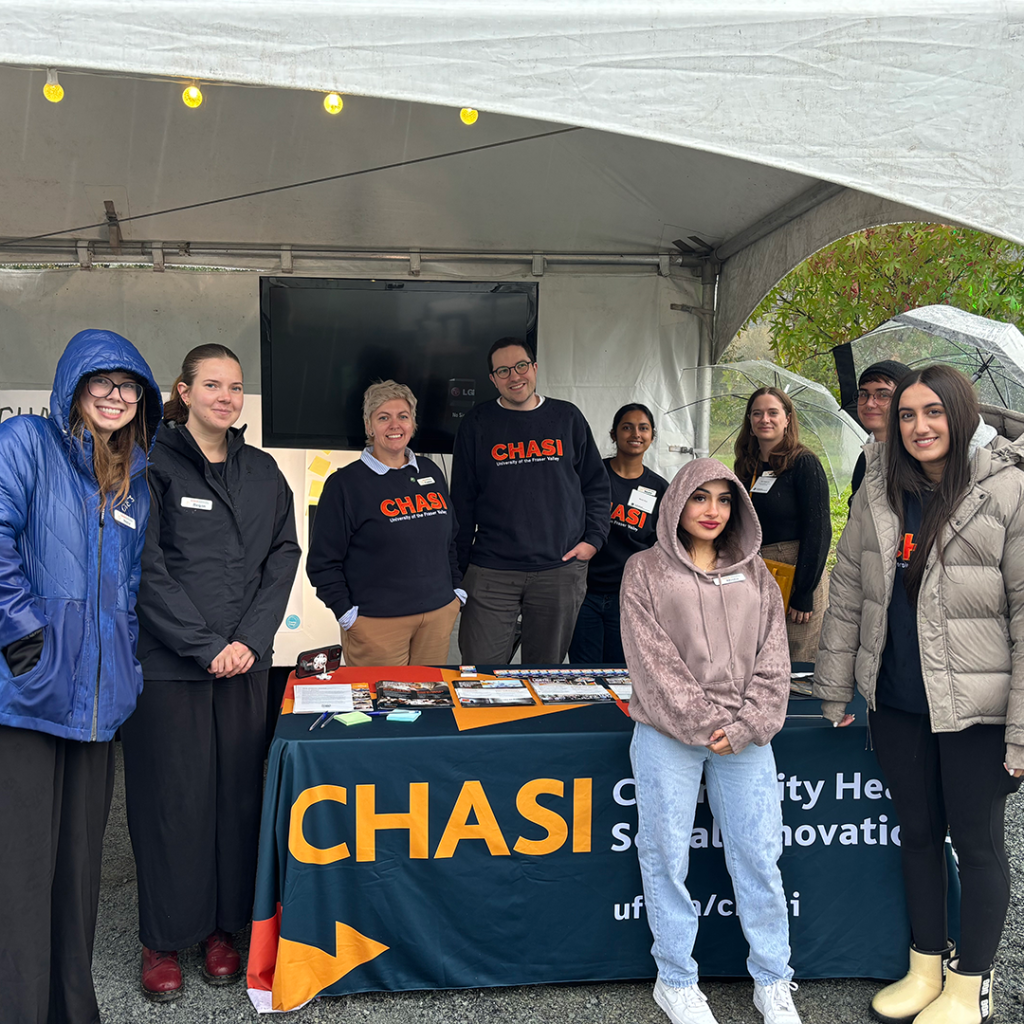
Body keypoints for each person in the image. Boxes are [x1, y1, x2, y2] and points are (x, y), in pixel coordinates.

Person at [815, 364, 1024, 1024]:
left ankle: (969, 985)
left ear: (958, 416)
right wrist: (833, 681)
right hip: (901, 701)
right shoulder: (880, 488)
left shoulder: (1008, 492)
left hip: (978, 711)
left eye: (932, 412)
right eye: (907, 415)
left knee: (979, 843)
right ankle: (925, 964)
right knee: (917, 836)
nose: (919, 426)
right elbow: (848, 589)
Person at [120, 343, 300, 1001]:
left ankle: (225, 929)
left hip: (246, 665)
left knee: (236, 799)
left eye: (236, 386)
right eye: (214, 385)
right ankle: (164, 938)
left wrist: (250, 641)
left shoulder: (262, 471)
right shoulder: (152, 465)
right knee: (173, 803)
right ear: (185, 391)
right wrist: (204, 645)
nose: (227, 396)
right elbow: (145, 567)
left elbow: (285, 554)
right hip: (171, 667)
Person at [0, 329, 161, 1024]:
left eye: (128, 386)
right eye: (103, 381)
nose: (116, 395)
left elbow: (126, 589)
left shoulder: (134, 481)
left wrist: (124, 663)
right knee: (24, 871)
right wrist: (22, 634)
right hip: (31, 693)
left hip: (98, 703)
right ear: (73, 385)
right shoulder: (24, 445)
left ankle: (72, 1007)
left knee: (79, 873)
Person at [620, 458, 801, 1024]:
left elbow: (775, 658)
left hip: (746, 738)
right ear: (677, 503)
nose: (712, 511)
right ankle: (675, 978)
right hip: (666, 736)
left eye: (724, 500)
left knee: (758, 858)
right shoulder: (644, 570)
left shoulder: (757, 575)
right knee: (666, 855)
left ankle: (773, 980)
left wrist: (747, 725)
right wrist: (705, 724)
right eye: (700, 498)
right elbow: (651, 663)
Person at [451, 337, 610, 664]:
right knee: (481, 674)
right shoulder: (477, 424)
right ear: (493, 379)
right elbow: (462, 502)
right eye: (504, 370)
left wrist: (592, 541)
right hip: (491, 570)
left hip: (559, 570)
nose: (515, 376)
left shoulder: (567, 418)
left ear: (535, 368)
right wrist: (457, 571)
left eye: (521, 366)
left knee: (544, 676)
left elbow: (595, 485)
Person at [307, 379, 463, 667]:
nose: (395, 425)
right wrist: (348, 616)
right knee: (382, 709)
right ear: (369, 427)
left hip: (438, 616)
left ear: (413, 423)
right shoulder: (345, 484)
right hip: (377, 625)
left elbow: (449, 540)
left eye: (403, 416)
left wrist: (456, 595)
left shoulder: (430, 471)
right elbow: (322, 562)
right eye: (383, 417)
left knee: (430, 705)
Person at [734, 388, 831, 664]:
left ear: (787, 419)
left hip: (796, 569)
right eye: (757, 413)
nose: (765, 419)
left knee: (795, 660)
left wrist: (804, 592)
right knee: (760, 656)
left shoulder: (804, 464)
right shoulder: (746, 466)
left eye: (773, 412)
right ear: (750, 422)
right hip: (757, 571)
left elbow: (819, 530)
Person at [568, 402, 668, 663]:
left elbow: (662, 547)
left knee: (622, 673)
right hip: (583, 593)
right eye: (627, 427)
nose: (636, 434)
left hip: (628, 597)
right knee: (583, 674)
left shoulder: (660, 489)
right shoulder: (589, 476)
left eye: (643, 428)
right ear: (614, 434)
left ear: (652, 436)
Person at [848, 359, 911, 506]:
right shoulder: (865, 458)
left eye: (883, 395)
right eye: (864, 394)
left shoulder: (917, 461)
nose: (869, 403)